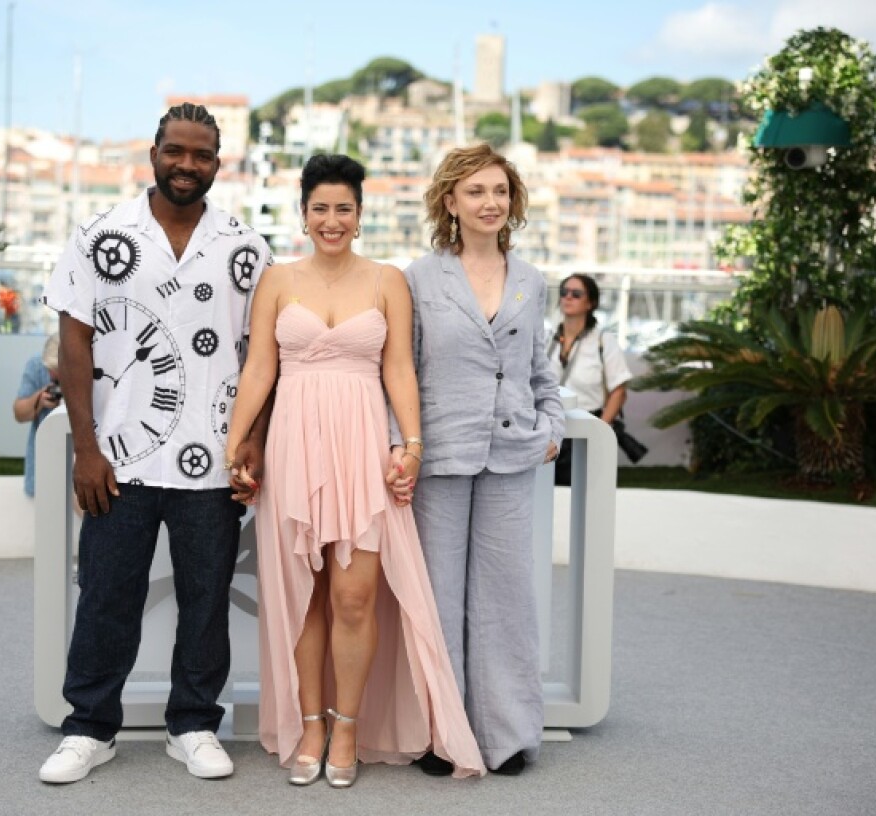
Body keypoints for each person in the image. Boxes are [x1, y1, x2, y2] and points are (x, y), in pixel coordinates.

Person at [223, 153, 484, 787]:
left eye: (344, 209)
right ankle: (309, 723)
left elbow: (399, 369)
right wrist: (237, 447)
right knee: (302, 595)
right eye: (320, 208)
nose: (332, 220)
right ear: (303, 215)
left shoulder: (387, 281)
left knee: (354, 594)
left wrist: (413, 446)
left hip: (363, 443)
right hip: (294, 443)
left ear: (360, 216)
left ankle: (347, 726)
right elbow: (260, 370)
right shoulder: (278, 281)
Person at [37, 102, 272, 784]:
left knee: (206, 599)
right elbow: (74, 340)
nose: (187, 164)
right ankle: (90, 729)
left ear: (217, 166)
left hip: (213, 458)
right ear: (154, 152)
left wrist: (252, 438)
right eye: (177, 150)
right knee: (107, 594)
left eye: (201, 155)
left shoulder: (245, 248)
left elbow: (262, 353)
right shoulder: (101, 235)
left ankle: (194, 724)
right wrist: (85, 447)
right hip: (119, 460)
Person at [394, 143, 565, 776]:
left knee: (505, 599)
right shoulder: (419, 277)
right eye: (476, 192)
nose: (490, 202)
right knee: (438, 597)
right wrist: (400, 441)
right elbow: (402, 370)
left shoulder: (531, 280)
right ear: (450, 202)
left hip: (513, 451)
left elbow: (538, 367)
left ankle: (508, 737)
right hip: (438, 452)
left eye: (499, 191)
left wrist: (551, 424)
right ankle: (443, 736)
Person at [548, 273, 638, 485]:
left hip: (585, 429)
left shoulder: (603, 341)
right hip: (549, 428)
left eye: (576, 294)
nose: (568, 297)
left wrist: (600, 431)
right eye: (564, 292)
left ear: (591, 303)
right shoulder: (546, 339)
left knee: (583, 497)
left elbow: (619, 390)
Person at [13, 333, 61, 497]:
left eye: (59, 370)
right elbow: (19, 414)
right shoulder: (36, 365)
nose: (54, 377)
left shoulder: (90, 369)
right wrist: (38, 400)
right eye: (51, 370)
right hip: (42, 461)